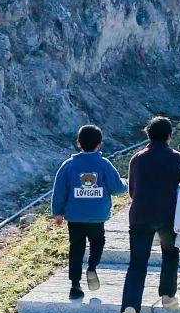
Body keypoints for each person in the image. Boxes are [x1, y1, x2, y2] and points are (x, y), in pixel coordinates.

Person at [119, 117, 180, 313]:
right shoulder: (178, 159)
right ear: (169, 135)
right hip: (168, 217)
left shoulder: (137, 159)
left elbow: (132, 192)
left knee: (137, 264)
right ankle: (167, 296)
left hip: (139, 217)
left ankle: (130, 307)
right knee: (170, 253)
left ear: (148, 135)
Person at [50, 123, 127, 299]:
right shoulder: (103, 164)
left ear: (78, 143)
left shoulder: (68, 166)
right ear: (99, 144)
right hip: (97, 215)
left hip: (74, 216)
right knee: (97, 241)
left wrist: (58, 213)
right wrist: (126, 184)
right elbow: (116, 188)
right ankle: (92, 267)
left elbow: (59, 190)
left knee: (76, 247)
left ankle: (75, 286)